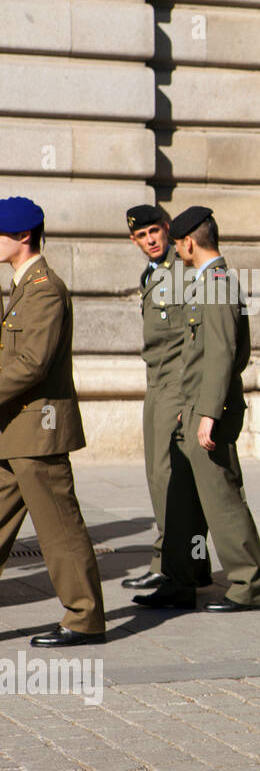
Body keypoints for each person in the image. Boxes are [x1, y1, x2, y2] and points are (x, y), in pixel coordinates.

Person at [136, 206, 260, 612]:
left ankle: (249, 583)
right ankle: (182, 578)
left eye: (177, 242)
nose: (176, 250)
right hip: (192, 406)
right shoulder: (202, 283)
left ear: (188, 242)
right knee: (183, 500)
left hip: (209, 411)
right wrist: (189, 406)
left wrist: (208, 411)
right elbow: (198, 356)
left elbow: (224, 354)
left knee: (221, 499)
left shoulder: (218, 285)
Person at [0, 196, 107, 647]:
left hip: (37, 432)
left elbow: (32, 363)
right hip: (13, 431)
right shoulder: (22, 286)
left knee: (60, 529)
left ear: (23, 236)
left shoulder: (44, 288)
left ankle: (84, 618)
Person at [123, 204, 211, 592]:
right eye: (142, 236)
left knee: (171, 477)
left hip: (176, 382)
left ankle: (182, 565)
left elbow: (197, 338)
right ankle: (174, 560)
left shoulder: (184, 270)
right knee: (159, 476)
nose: (150, 240)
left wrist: (188, 397)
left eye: (155, 232)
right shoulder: (153, 273)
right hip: (156, 381)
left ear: (167, 229)